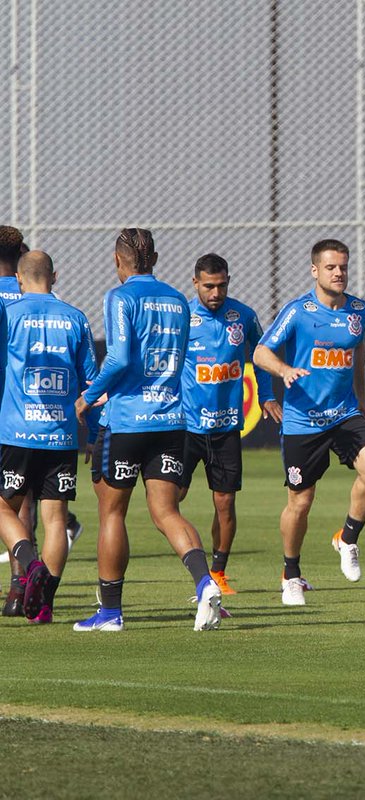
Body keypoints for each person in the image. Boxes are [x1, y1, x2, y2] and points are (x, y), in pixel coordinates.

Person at [73, 228, 223, 632]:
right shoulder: (178, 300)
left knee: (112, 513)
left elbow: (120, 357)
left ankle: (110, 613)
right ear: (154, 259)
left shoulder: (119, 297)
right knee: (166, 511)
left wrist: (89, 396)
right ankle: (205, 582)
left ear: (118, 259)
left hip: (127, 423)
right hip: (172, 421)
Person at [253, 240, 365, 606]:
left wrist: (361, 397)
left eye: (343, 267)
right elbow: (260, 351)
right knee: (301, 501)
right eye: (331, 268)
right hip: (303, 420)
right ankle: (291, 574)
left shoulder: (359, 310)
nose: (339, 273)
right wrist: (283, 370)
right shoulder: (298, 312)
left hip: (344, 413)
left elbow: (357, 347)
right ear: (315, 271)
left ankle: (347, 537)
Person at [0, 250, 97, 623]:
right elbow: (91, 381)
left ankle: (27, 560)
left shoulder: (9, 316)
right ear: (54, 277)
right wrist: (96, 429)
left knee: (5, 508)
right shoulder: (75, 318)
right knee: (56, 518)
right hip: (61, 436)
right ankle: (44, 605)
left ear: (20, 280)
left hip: (17, 432)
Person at [179, 253, 282, 595]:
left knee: (224, 503)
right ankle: (190, 559)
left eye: (222, 285)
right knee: (169, 499)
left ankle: (218, 572)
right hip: (186, 427)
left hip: (225, 428)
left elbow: (262, 354)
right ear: (195, 284)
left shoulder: (244, 316)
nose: (216, 292)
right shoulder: (182, 318)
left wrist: (266, 395)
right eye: (209, 286)